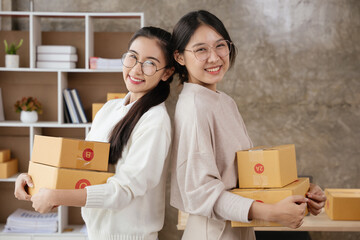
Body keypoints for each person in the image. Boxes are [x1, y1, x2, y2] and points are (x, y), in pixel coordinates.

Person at [170, 10, 326, 239]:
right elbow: (202, 193)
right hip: (213, 233)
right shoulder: (194, 107)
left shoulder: (223, 101)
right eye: (201, 49)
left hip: (239, 231)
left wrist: (299, 194)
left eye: (220, 45)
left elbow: (244, 176)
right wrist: (272, 212)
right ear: (180, 57)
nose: (214, 57)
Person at [14, 26, 175, 240]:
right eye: (132, 58)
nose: (136, 70)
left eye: (150, 64)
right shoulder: (110, 109)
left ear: (166, 72)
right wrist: (35, 183)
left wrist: (56, 195)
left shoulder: (155, 120)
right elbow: (83, 171)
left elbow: (124, 191)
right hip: (95, 234)